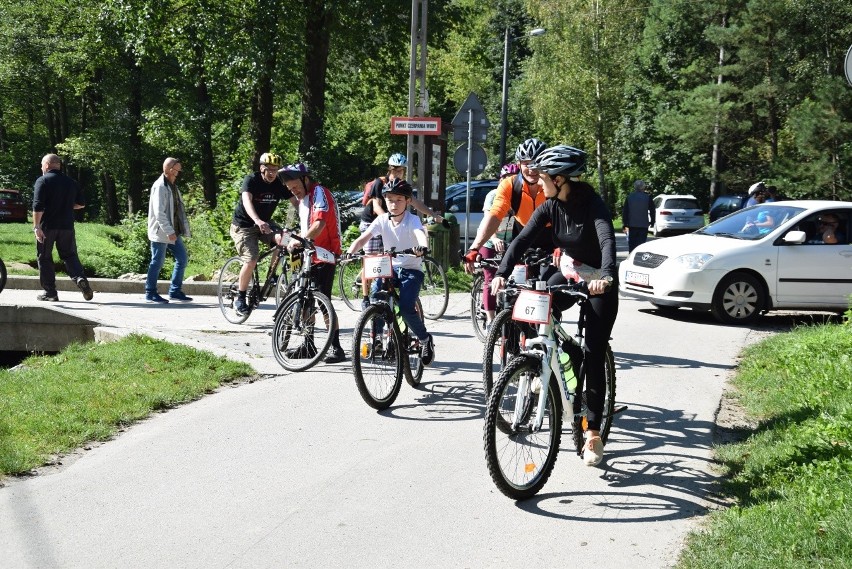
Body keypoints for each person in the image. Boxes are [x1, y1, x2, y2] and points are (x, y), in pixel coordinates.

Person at [490, 145, 618, 467]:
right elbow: (522, 240)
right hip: (571, 271)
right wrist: (502, 273)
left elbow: (606, 240)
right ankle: (551, 359)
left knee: (593, 351)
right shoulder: (549, 206)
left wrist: (606, 275)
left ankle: (592, 432)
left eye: (544, 177)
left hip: (597, 279)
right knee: (538, 302)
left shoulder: (592, 204)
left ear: (560, 179)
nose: (538, 183)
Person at [347, 178, 434, 366]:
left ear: (408, 201)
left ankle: (425, 340)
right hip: (389, 268)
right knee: (377, 300)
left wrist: (422, 247)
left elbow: (420, 234)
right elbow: (363, 238)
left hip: (411, 269)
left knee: (405, 308)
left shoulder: (413, 220)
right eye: (389, 200)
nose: (393, 204)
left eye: (398, 200)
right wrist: (349, 252)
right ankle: (377, 338)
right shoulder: (382, 220)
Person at [357, 153, 446, 310]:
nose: (398, 173)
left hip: (390, 222)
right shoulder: (380, 183)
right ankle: (365, 298)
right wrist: (387, 221)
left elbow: (416, 203)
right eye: (395, 170)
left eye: (401, 171)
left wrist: (433, 215)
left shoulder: (402, 185)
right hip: (373, 221)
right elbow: (377, 206)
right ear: (390, 169)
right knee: (372, 260)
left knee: (388, 259)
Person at [280, 162, 346, 364]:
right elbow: (305, 227)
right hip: (310, 254)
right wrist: (287, 240)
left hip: (325, 254)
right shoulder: (303, 200)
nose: (294, 191)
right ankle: (308, 345)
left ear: (305, 179)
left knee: (322, 300)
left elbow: (319, 224)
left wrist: (299, 241)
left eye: (296, 187)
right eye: (290, 189)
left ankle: (336, 347)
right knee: (306, 299)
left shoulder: (319, 193)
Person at [464, 138, 552, 275]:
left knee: (552, 288)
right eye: (527, 164)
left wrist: (564, 248)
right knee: (511, 288)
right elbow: (495, 215)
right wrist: (475, 248)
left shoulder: (553, 185)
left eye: (537, 163)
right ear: (519, 164)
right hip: (523, 240)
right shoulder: (510, 185)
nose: (532, 169)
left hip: (552, 242)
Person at [230, 152, 294, 316]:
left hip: (265, 223)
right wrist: (257, 220)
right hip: (244, 225)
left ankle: (271, 275)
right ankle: (240, 297)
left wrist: (292, 224)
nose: (272, 173)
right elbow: (246, 201)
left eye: (275, 169)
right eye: (269, 169)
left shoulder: (278, 183)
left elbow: (295, 203)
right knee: (251, 259)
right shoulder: (251, 180)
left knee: (285, 239)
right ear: (262, 168)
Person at [32, 154, 94, 302]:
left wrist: (36, 227)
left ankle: (50, 292)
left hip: (48, 227)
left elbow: (38, 206)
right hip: (67, 226)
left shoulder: (43, 180)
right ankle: (79, 278)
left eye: (42, 165)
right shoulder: (71, 182)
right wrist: (65, 206)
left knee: (44, 257)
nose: (41, 168)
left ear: (46, 165)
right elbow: (81, 204)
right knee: (70, 255)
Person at [476, 163, 520, 328]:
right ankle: (491, 321)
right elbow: (489, 219)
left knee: (515, 278)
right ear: (500, 180)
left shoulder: (519, 196)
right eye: (506, 179)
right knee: (491, 279)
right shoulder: (493, 195)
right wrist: (494, 239)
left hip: (510, 241)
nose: (509, 183)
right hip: (489, 240)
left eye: (513, 179)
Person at [145, 157, 192, 303]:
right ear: (170, 169)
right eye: (178, 170)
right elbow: (159, 213)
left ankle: (175, 291)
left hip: (173, 231)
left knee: (182, 259)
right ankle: (150, 292)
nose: (179, 173)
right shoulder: (159, 186)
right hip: (161, 232)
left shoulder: (173, 187)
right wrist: (169, 231)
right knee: (157, 262)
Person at [622, 179, 655, 252]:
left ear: (635, 187)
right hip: (643, 225)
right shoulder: (648, 197)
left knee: (632, 245)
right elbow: (652, 210)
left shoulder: (629, 197)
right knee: (641, 245)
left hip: (632, 225)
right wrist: (652, 221)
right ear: (643, 187)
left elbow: (625, 211)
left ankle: (631, 258)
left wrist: (625, 223)